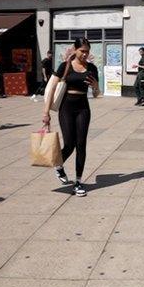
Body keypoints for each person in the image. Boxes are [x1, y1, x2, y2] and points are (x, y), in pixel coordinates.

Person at [42, 38, 100, 197]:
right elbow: (51, 89)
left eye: (87, 51)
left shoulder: (92, 68)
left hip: (83, 108)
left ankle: (78, 181)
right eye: (82, 51)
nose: (85, 54)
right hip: (66, 107)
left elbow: (96, 94)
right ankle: (58, 165)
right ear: (75, 49)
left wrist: (95, 86)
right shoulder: (65, 66)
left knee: (81, 145)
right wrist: (46, 113)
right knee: (69, 143)